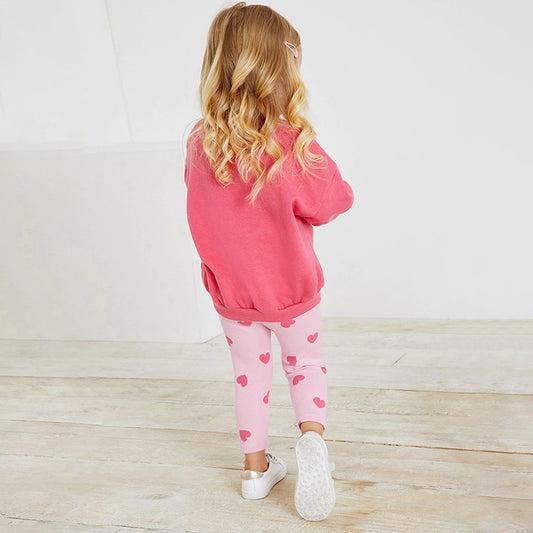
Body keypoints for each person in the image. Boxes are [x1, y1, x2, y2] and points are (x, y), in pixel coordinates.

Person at [184, 1, 354, 522]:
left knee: (248, 376)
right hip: (293, 293)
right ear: (284, 69)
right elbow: (334, 202)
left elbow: (200, 213)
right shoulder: (293, 145)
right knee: (304, 364)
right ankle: (312, 443)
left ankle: (255, 473)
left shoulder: (199, 143)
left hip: (234, 296)